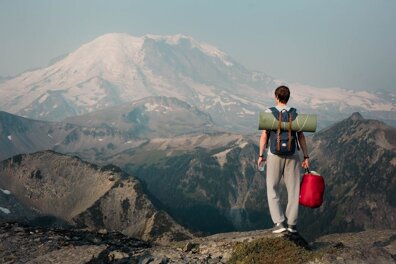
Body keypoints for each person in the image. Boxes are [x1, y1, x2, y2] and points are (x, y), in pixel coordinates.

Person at [258, 85, 309, 234]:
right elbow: (301, 136)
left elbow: (264, 135)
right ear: (288, 97)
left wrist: (261, 155)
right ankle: (292, 224)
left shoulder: (269, 112)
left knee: (272, 188)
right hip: (293, 155)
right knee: (293, 190)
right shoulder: (295, 113)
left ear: (276, 97)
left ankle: (279, 223)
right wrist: (306, 156)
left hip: (274, 155)